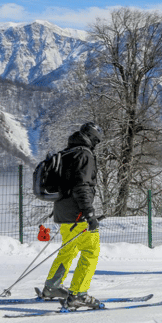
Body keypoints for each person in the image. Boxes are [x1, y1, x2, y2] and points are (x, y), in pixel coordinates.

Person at [41, 122, 104, 309]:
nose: (96, 145)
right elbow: (82, 186)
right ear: (92, 138)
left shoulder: (66, 153)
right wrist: (89, 213)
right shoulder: (84, 154)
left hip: (63, 212)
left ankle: (52, 286)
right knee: (91, 251)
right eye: (96, 141)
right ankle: (78, 294)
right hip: (78, 214)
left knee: (68, 250)